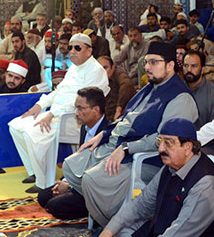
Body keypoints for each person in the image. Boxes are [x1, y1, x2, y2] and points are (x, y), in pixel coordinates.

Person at [59, 41, 198, 227]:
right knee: (71, 166)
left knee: (91, 180)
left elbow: (164, 141)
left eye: (154, 62)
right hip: (117, 145)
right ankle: (108, 211)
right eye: (146, 62)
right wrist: (103, 134)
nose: (147, 67)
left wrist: (126, 148)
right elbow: (126, 119)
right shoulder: (151, 88)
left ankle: (114, 227)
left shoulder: (181, 98)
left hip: (145, 159)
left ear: (170, 65)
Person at [8, 33, 109, 189]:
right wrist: (40, 105)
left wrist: (51, 114)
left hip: (75, 119)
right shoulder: (75, 68)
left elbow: (82, 103)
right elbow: (59, 91)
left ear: (89, 51)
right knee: (16, 125)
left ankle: (44, 183)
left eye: (77, 47)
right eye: (70, 47)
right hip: (57, 114)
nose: (72, 51)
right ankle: (35, 172)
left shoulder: (96, 71)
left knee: (32, 132)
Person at [35, 87, 111, 220]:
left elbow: (98, 173)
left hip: (93, 189)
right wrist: (65, 182)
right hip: (77, 182)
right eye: (76, 108)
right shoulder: (85, 128)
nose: (76, 113)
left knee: (54, 206)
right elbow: (80, 163)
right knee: (43, 196)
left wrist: (70, 186)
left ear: (96, 110)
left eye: (80, 108)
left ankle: (94, 211)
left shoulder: (107, 134)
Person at [182, 50, 214, 130]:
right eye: (186, 65)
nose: (189, 70)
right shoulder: (177, 89)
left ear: (202, 70)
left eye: (194, 66)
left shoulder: (213, 93)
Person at [98, 54, 133, 121]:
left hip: (122, 117)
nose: (102, 71)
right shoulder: (96, 79)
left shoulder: (119, 74)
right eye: (100, 69)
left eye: (105, 68)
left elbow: (126, 84)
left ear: (113, 67)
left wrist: (119, 108)